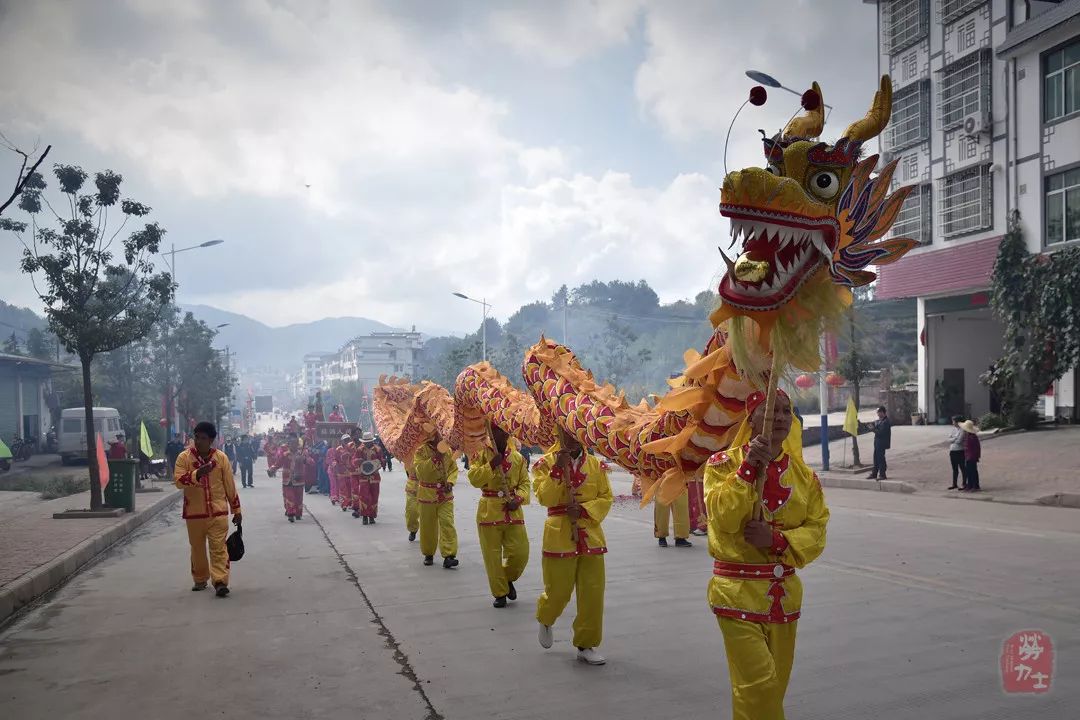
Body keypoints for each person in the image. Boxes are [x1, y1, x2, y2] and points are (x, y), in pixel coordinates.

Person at [704, 388, 829, 720]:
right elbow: (723, 518)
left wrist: (775, 540)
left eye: (786, 411)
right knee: (757, 687)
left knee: (772, 689)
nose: (779, 417)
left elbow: (817, 530)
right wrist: (747, 469)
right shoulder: (721, 464)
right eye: (771, 410)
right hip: (736, 593)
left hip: (783, 596)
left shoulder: (805, 477)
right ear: (751, 418)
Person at [533, 426, 612, 666]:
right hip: (559, 536)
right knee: (558, 591)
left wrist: (585, 510)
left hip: (591, 535)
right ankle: (546, 617)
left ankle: (586, 644)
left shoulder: (596, 465)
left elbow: (606, 497)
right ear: (559, 434)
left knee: (592, 593)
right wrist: (557, 469)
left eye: (576, 432)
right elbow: (544, 498)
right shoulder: (545, 463)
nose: (572, 438)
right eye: (566, 433)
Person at [173, 421, 241, 597]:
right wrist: (197, 474)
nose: (199, 441)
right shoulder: (184, 458)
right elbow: (179, 482)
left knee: (218, 547)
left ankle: (220, 581)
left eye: (203, 438)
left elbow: (229, 486)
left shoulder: (221, 458)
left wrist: (237, 510)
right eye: (196, 437)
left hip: (217, 513)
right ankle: (200, 578)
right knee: (197, 548)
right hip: (194, 514)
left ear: (211, 440)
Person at [467, 422, 530, 608]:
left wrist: (518, 499)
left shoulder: (518, 458)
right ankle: (500, 592)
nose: (498, 435)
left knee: (520, 553)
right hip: (489, 510)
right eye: (494, 431)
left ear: (507, 433)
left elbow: (525, 484)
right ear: (489, 432)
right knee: (492, 556)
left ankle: (507, 579)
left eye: (502, 431)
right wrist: (491, 466)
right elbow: (474, 479)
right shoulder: (479, 455)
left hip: (512, 510)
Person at [412, 432, 459, 568]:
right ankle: (428, 553)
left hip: (445, 495)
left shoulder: (448, 450)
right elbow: (421, 472)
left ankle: (449, 555)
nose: (440, 436)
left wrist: (450, 481)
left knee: (447, 523)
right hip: (427, 494)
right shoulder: (420, 451)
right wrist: (435, 458)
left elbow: (453, 468)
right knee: (428, 526)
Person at [269, 433, 308, 522]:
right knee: (290, 496)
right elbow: (278, 463)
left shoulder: (302, 454)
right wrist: (272, 469)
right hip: (288, 479)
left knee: (299, 498)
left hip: (299, 479)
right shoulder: (285, 454)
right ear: (289, 445)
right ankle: (291, 513)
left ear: (297, 444)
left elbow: (311, 462)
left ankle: (298, 513)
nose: (293, 445)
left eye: (295, 443)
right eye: (291, 443)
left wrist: (305, 460)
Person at [353, 432, 383, 523]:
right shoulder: (359, 450)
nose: (367, 443)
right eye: (366, 442)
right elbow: (354, 461)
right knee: (364, 496)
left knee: (374, 496)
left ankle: (372, 516)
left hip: (375, 476)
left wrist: (379, 463)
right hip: (363, 476)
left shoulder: (378, 449)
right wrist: (359, 461)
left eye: (369, 441)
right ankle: (365, 516)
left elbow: (382, 460)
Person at [866, 405, 891, 480]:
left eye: (879, 412)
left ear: (883, 413)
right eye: (877, 413)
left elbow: (881, 433)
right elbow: (875, 426)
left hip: (882, 442)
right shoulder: (879, 421)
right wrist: (870, 426)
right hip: (877, 442)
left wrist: (873, 429)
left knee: (881, 458)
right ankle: (874, 473)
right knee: (876, 458)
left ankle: (882, 474)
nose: (878, 414)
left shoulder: (886, 422)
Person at [960, 419, 981, 492]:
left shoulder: (972, 437)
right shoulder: (968, 436)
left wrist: (975, 456)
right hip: (969, 456)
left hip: (971, 456)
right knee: (970, 471)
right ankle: (971, 485)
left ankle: (974, 486)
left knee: (972, 471)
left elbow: (976, 448)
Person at [947, 415, 967, 490]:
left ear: (958, 422)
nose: (952, 423)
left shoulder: (963, 430)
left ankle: (964, 484)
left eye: (953, 421)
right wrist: (955, 438)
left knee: (963, 468)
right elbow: (948, 439)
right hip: (952, 451)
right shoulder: (953, 429)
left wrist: (953, 438)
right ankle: (954, 484)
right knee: (954, 469)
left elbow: (959, 441)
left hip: (960, 451)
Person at [403, 456, 420, 542]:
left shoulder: (432, 449)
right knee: (411, 511)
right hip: (412, 486)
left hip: (429, 486)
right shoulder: (408, 453)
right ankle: (413, 529)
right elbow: (407, 470)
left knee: (428, 514)